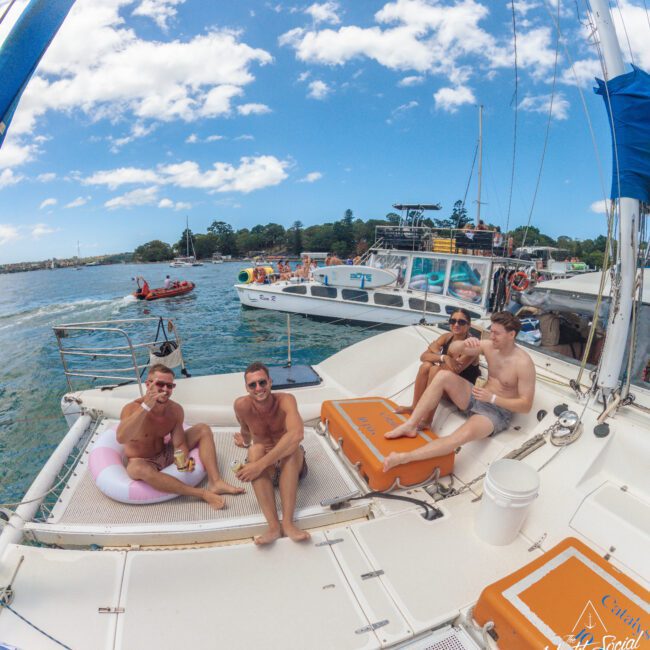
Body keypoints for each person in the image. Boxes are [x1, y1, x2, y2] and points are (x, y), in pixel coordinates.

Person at [383, 312, 535, 471]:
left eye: (497, 333)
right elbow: (453, 351)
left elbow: (526, 405)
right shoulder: (490, 346)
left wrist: (493, 398)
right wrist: (464, 344)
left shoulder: (523, 363)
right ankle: (411, 425)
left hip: (495, 412)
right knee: (442, 376)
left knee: (457, 437)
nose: (491, 336)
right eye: (491, 331)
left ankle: (403, 458)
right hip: (478, 396)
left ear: (511, 335)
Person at [117, 364, 243, 509]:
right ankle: (201, 494)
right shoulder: (131, 409)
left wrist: (182, 459)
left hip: (164, 452)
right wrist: (146, 407)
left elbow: (179, 443)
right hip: (142, 461)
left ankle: (216, 482)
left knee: (203, 429)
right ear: (148, 384)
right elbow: (121, 438)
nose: (165, 390)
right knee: (138, 469)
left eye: (169, 386)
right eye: (160, 384)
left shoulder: (175, 410)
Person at [233, 362, 310, 545]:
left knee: (291, 450)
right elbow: (245, 429)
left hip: (290, 466)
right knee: (254, 449)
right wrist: (244, 442)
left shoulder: (286, 400)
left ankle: (288, 523)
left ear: (270, 382)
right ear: (247, 388)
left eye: (262, 382)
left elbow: (297, 434)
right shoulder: (241, 406)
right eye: (253, 385)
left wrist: (259, 465)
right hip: (267, 471)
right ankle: (274, 527)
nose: (258, 388)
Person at [395, 309, 481, 428]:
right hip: (443, 385)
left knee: (435, 370)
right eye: (453, 321)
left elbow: (452, 371)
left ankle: (428, 420)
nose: (456, 324)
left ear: (469, 325)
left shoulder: (471, 347)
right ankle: (414, 407)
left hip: (460, 394)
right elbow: (423, 356)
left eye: (461, 322)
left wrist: (435, 355)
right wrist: (443, 357)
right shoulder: (447, 337)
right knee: (425, 366)